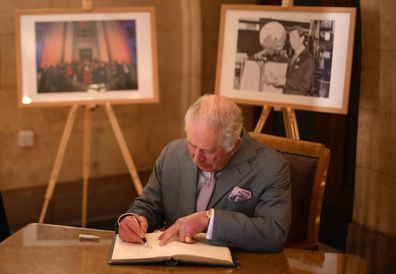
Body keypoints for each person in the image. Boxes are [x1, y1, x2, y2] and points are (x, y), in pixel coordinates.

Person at [117, 94, 291, 252]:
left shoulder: (272, 167)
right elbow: (148, 205)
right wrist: (134, 218)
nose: (196, 158)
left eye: (208, 151)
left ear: (234, 145)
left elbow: (274, 234)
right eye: (192, 145)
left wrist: (210, 220)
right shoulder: (172, 153)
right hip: (171, 261)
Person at [267, 25, 315, 96]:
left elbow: (306, 85)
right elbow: (291, 79)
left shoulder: (308, 59)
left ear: (302, 38)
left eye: (294, 38)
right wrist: (277, 80)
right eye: (290, 38)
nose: (291, 41)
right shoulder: (293, 57)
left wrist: (285, 81)